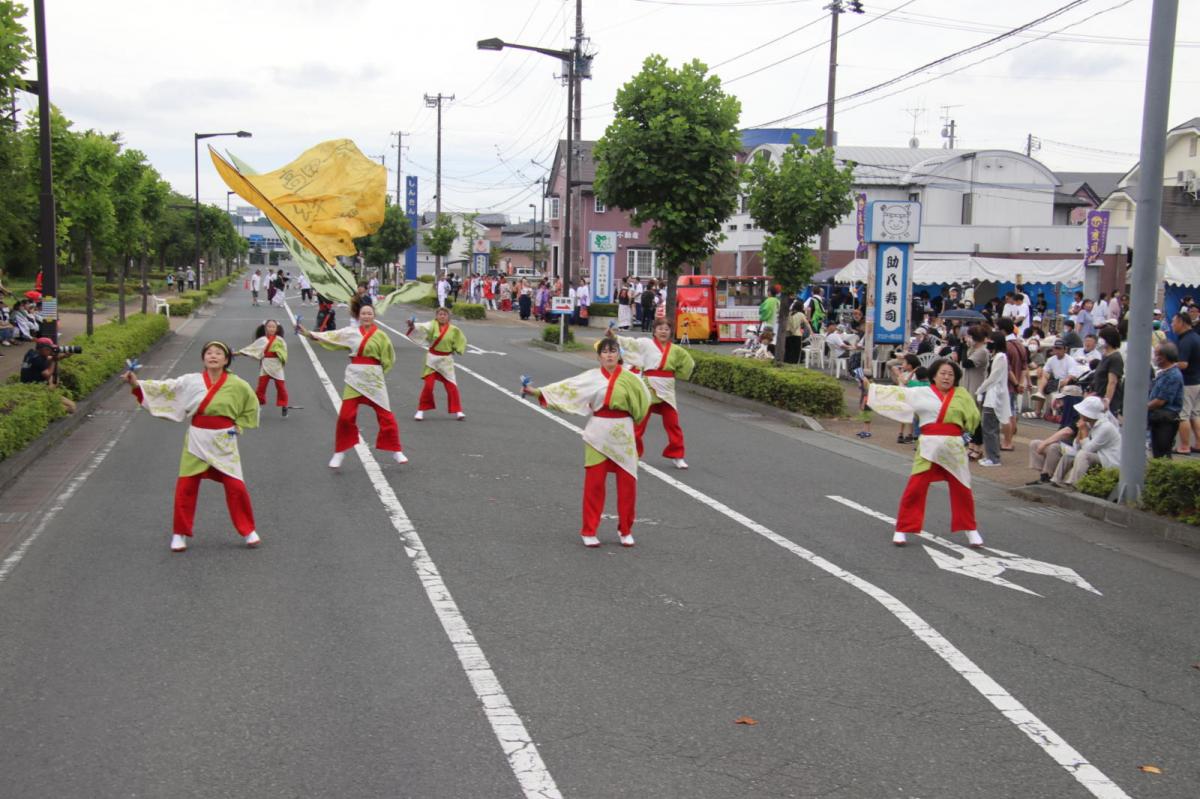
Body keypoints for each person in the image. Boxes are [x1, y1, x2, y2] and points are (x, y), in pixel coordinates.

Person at [123, 341, 261, 552]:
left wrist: (239, 426)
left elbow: (251, 408)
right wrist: (136, 384)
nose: (213, 356)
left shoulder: (239, 385)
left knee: (236, 487)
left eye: (218, 353)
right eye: (209, 353)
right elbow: (165, 388)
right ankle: (179, 533)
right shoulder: (190, 381)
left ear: (226, 360)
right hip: (197, 438)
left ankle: (248, 530)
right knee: (186, 486)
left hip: (224, 440)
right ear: (203, 358)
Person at [522, 337, 651, 547]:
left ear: (619, 355)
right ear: (599, 356)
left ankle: (626, 530)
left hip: (624, 433)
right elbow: (565, 389)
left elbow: (643, 404)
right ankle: (589, 529)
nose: (609, 355)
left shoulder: (632, 379)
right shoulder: (590, 378)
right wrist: (537, 391)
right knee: (595, 483)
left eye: (613, 351)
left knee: (628, 485)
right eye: (605, 351)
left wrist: (634, 429)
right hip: (598, 432)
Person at [865, 359, 984, 548]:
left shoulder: (962, 395)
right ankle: (902, 528)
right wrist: (872, 388)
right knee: (915, 488)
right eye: (943, 373)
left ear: (956, 378)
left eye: (951, 374)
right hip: (928, 447)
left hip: (954, 448)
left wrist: (967, 437)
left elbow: (973, 419)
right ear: (934, 375)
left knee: (963, 490)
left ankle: (971, 529)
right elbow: (898, 394)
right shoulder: (921, 392)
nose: (946, 377)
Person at [298, 302, 407, 468]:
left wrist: (377, 373)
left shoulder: (382, 336)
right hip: (354, 378)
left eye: (369, 313)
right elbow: (331, 336)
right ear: (359, 316)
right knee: (345, 416)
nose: (366, 316)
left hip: (374, 378)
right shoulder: (350, 332)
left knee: (386, 415)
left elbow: (389, 358)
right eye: (363, 313)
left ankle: (395, 450)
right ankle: (340, 451)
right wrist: (308, 333)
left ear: (374, 316)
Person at [609, 317, 696, 469]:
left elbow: (689, 364)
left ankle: (677, 455)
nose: (663, 332)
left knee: (673, 423)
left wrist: (680, 374)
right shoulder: (645, 344)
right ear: (654, 331)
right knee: (639, 423)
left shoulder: (677, 351)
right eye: (660, 328)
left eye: (666, 329)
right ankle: (633, 454)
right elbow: (630, 343)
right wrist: (614, 337)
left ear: (671, 332)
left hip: (667, 390)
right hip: (648, 386)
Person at [408, 306, 468, 421]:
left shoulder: (454, 329)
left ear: (448, 317)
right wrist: (412, 325)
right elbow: (421, 326)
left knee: (451, 386)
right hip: (432, 359)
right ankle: (420, 410)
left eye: (444, 314)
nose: (442, 316)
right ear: (436, 316)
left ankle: (458, 411)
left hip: (446, 361)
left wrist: (457, 349)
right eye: (440, 314)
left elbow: (461, 340)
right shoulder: (431, 325)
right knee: (428, 386)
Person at [1050, 397, 1120, 488]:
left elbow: (1088, 449)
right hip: (1099, 455)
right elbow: (1077, 446)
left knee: (1083, 455)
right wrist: (1080, 432)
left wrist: (1084, 431)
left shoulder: (1105, 427)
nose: (1079, 413)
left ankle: (1074, 484)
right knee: (1069, 456)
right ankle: (1056, 480)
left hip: (1109, 459)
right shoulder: (1089, 423)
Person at [237, 319, 289, 417]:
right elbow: (251, 349)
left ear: (277, 329)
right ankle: (258, 405)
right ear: (265, 328)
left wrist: (279, 354)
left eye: (273, 327)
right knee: (261, 387)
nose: (271, 328)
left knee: (281, 387)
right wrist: (237, 353)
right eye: (269, 326)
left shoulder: (280, 340)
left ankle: (284, 405)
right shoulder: (262, 340)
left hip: (277, 366)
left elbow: (284, 352)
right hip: (265, 365)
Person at [976, 331, 1011, 467]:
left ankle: (993, 458)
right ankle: (991, 456)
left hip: (994, 397)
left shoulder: (1000, 357)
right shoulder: (996, 356)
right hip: (991, 396)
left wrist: (980, 389)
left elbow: (993, 378)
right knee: (990, 428)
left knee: (990, 428)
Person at [1148, 342, 1184, 459]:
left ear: (1164, 357)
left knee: (1162, 454)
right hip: (1158, 417)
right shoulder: (1163, 373)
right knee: (1157, 452)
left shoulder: (1173, 375)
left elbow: (1161, 401)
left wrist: (1143, 407)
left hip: (1165, 419)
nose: (1154, 357)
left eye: (1156, 354)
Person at [1171, 312, 1200, 454]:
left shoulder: (1186, 340)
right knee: (1195, 414)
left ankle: (1184, 446)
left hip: (1187, 382)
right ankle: (1198, 443)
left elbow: (1183, 364)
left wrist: (1168, 366)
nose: (1172, 325)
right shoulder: (1196, 337)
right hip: (1197, 381)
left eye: (1173, 322)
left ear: (1181, 322)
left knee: (1183, 415)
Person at [1091, 326, 1124, 415]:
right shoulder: (1105, 355)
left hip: (1109, 400)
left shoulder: (1115, 358)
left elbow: (1112, 382)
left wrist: (1107, 400)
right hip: (1099, 395)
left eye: (1101, 338)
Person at [783, 298, 813, 364]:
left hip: (788, 334)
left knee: (788, 350)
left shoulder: (789, 313)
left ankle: (787, 363)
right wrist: (811, 331)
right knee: (796, 351)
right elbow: (807, 323)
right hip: (797, 335)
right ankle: (794, 364)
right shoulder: (801, 314)